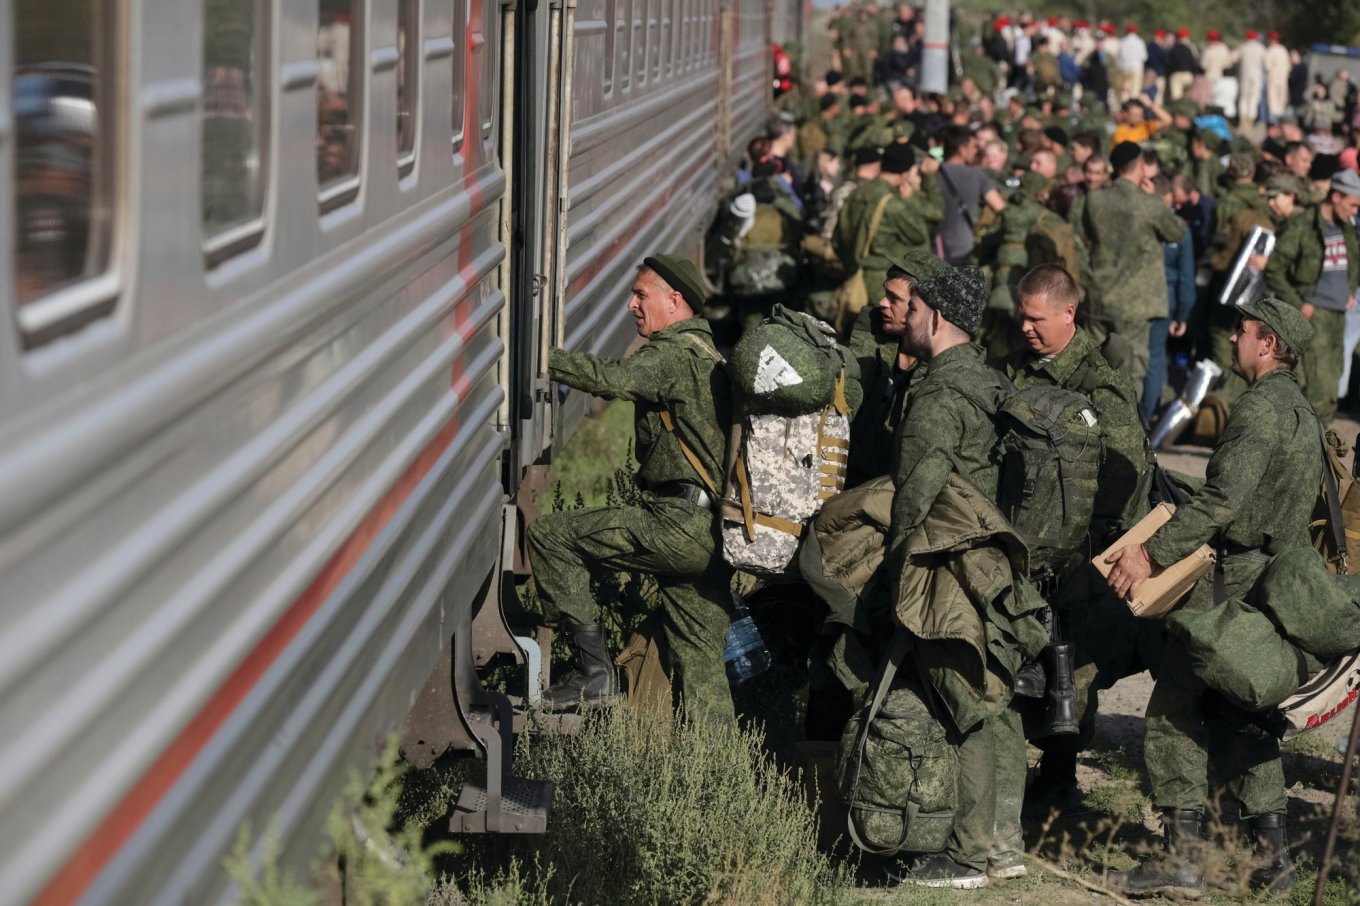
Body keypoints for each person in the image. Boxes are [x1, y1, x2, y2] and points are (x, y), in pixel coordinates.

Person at [1104, 296, 1322, 899]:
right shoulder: (1303, 410)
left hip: (1231, 587)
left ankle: (1182, 863)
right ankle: (1274, 861)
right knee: (1243, 719)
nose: (1233, 339)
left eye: (1244, 331)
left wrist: (1150, 551)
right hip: (1271, 580)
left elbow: (1223, 502)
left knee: (1174, 711)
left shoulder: (1258, 412)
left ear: (1270, 344)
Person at [526, 255, 734, 721]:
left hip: (676, 526)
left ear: (674, 301)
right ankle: (717, 772)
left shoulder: (673, 355)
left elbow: (612, 379)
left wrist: (539, 358)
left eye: (641, 295)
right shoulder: (710, 354)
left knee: (551, 535)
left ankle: (595, 674)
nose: (630, 305)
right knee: (702, 669)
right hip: (713, 533)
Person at [884, 266, 1024, 889]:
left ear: (936, 318)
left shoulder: (940, 396)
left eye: (912, 308)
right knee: (998, 704)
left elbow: (915, 498)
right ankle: (1003, 844)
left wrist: (892, 575)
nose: (906, 317)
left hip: (950, 566)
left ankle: (968, 856)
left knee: (964, 704)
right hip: (999, 563)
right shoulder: (990, 381)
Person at [1005, 264, 1159, 815]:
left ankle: (1059, 776)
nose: (1025, 328)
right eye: (1020, 317)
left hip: (1079, 553)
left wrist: (1086, 547)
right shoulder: (1016, 369)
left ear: (1068, 313)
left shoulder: (1100, 385)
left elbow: (1125, 474)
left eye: (1035, 319)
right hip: (1024, 542)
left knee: (1069, 669)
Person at [1076, 141, 1188, 386]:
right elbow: (1176, 233)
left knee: (1092, 364)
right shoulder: (1149, 204)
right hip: (1135, 303)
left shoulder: (1094, 199)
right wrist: (1159, 201)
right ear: (1139, 166)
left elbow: (1087, 233)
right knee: (1129, 374)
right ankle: (1122, 423)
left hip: (1099, 295)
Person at [1264, 168, 1360, 421]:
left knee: (1332, 386)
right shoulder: (1303, 225)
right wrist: (1299, 303)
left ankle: (1318, 450)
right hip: (1312, 314)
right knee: (1317, 389)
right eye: (1352, 204)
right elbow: (1274, 269)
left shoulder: (1347, 227)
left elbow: (1354, 258)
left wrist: (1350, 289)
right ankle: (1310, 451)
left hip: (1338, 314)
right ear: (1336, 197)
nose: (1355, 211)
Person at [1147, 175, 1197, 420]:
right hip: (1165, 302)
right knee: (1155, 359)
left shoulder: (1139, 223)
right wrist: (1183, 314)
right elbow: (1186, 275)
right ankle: (1148, 414)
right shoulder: (1179, 229)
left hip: (1136, 299)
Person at [935, 125, 1007, 264]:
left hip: (935, 249)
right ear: (962, 150)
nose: (976, 150)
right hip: (963, 250)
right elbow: (1000, 208)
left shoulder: (932, 174)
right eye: (973, 146)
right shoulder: (976, 176)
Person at [1237, 30, 1266, 128]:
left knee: (1244, 97)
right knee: (1254, 98)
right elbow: (1266, 65)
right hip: (1256, 76)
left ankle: (1243, 119)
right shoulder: (1261, 48)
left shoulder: (1243, 47)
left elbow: (1233, 59)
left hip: (1244, 75)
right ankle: (1251, 119)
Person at [1264, 32, 1291, 122]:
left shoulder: (1270, 50)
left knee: (1273, 100)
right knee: (1281, 99)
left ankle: (1273, 121)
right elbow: (1288, 66)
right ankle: (1281, 119)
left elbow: (1266, 66)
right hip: (1283, 78)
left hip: (1273, 78)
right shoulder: (1283, 49)